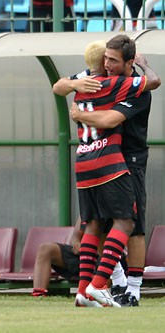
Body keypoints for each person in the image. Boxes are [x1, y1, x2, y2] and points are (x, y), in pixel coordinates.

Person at [56, 35, 161, 307]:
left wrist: (79, 114)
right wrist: (75, 82)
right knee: (111, 223)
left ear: (128, 62)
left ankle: (129, 288)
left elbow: (111, 118)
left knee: (130, 225)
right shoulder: (98, 78)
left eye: (113, 60)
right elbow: (60, 85)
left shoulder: (128, 87)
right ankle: (108, 282)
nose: (107, 63)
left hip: (126, 159)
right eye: (105, 58)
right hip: (107, 159)